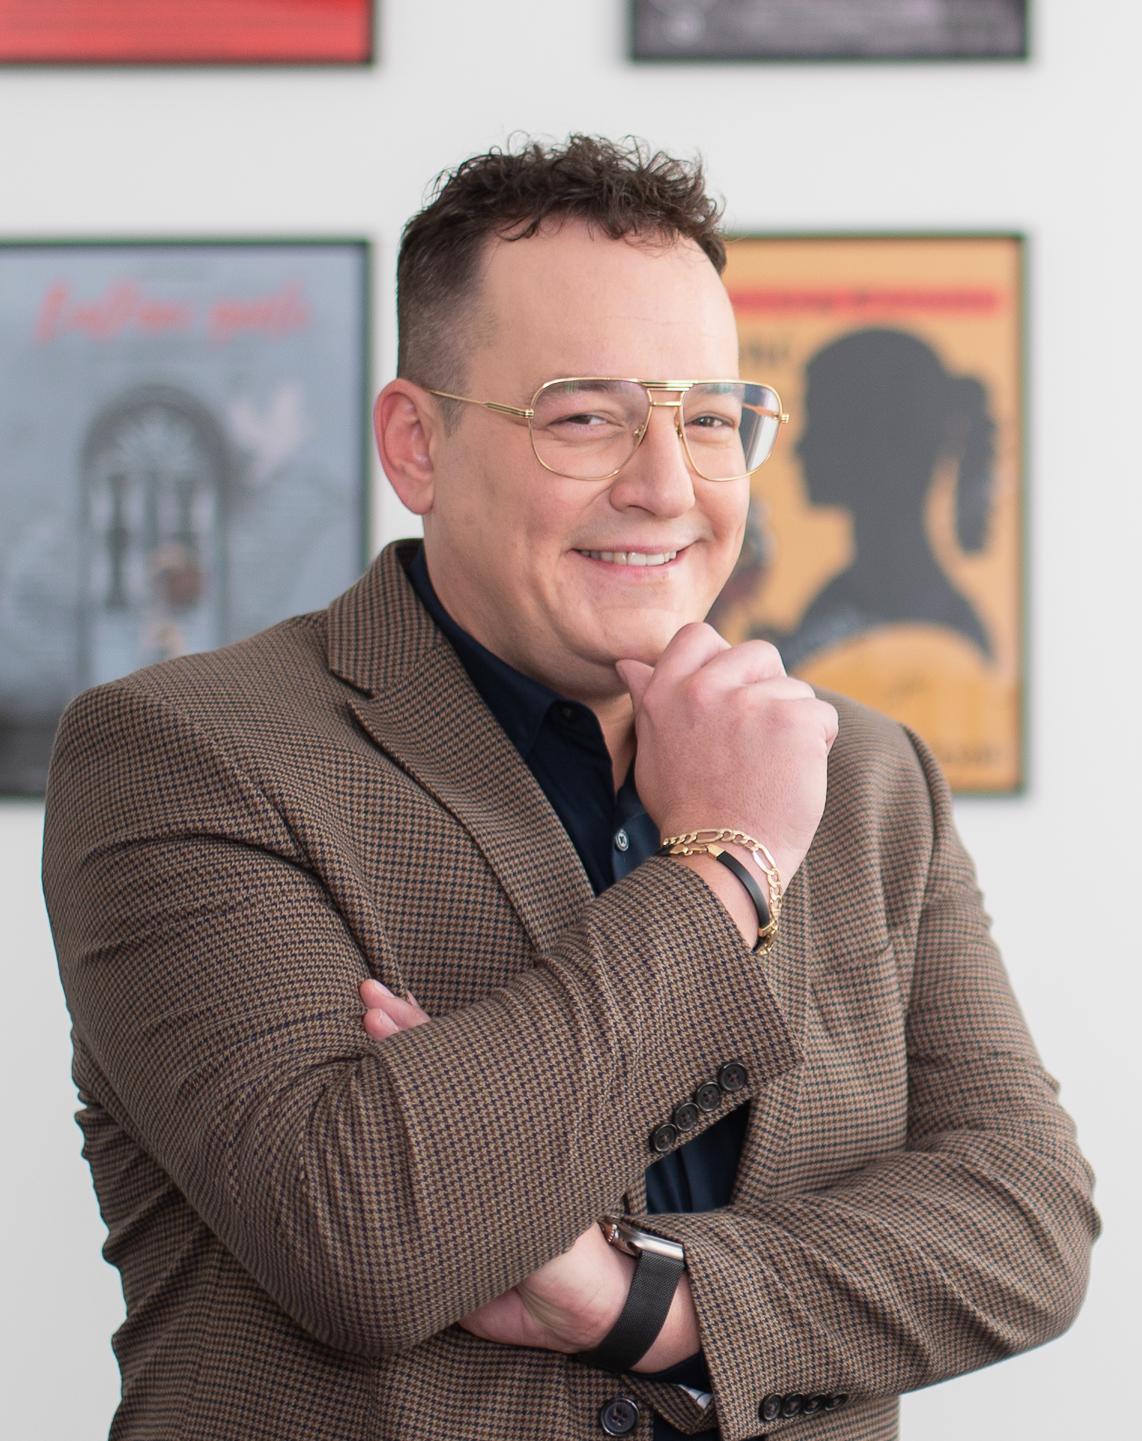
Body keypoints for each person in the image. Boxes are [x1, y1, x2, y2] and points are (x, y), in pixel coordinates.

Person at [42, 136, 1098, 1441]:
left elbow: (1025, 1224)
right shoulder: (180, 752)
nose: (665, 487)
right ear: (416, 445)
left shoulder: (867, 772)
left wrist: (637, 1302)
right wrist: (726, 867)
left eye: (708, 418)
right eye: (585, 416)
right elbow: (362, 1232)